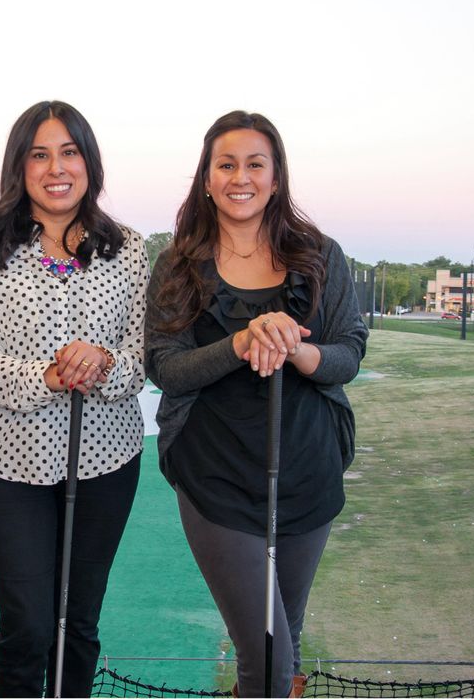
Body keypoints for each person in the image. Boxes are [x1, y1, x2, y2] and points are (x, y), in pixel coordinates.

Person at [144, 111, 367, 698]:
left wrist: (292, 347)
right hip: (215, 470)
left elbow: (348, 352)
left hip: (306, 465)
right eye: (226, 164)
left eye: (254, 164)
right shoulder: (177, 264)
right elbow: (164, 367)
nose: (240, 176)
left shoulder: (321, 255)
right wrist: (242, 342)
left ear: (275, 176)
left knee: (285, 643)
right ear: (208, 178)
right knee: (265, 653)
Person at [0, 100, 149, 697]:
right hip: (9, 464)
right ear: (20, 165)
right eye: (39, 154)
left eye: (69, 152)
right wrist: (49, 375)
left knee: (78, 624)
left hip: (106, 463)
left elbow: (144, 352)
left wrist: (107, 361)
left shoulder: (130, 250)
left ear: (89, 162)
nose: (55, 167)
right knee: (28, 622)